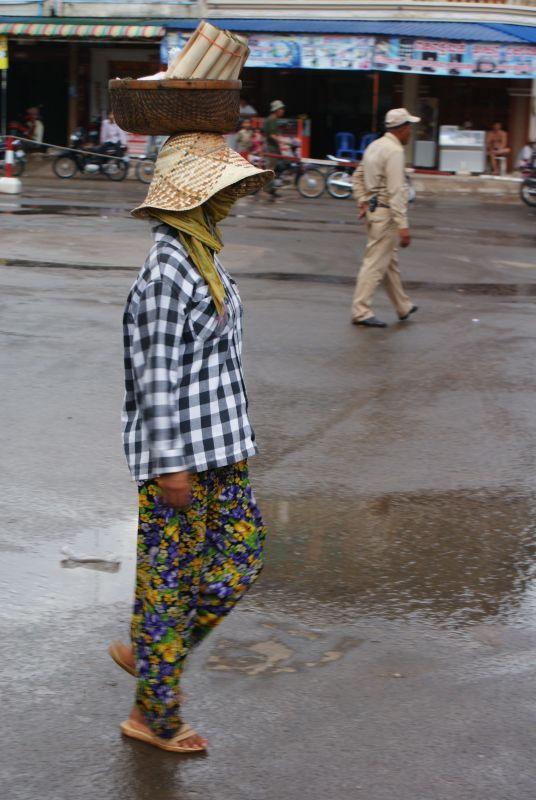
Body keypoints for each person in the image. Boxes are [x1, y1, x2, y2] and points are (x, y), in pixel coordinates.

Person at [109, 132, 272, 754]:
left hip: (222, 449)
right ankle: (154, 715)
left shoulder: (201, 255)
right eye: (219, 189)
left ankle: (152, 647)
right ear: (191, 198)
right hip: (181, 460)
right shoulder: (165, 273)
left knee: (240, 561)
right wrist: (171, 467)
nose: (228, 199)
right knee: (171, 585)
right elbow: (154, 378)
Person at [351, 108, 420, 328]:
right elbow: (397, 191)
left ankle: (403, 306)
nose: (411, 132)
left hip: (374, 212)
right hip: (387, 214)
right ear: (402, 129)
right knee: (374, 264)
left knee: (389, 262)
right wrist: (403, 226)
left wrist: (363, 200)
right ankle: (361, 310)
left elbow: (358, 176)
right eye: (410, 127)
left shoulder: (375, 145)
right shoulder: (394, 151)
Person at [262, 99, 285, 197]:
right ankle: (268, 189)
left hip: (274, 146)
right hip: (271, 147)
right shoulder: (271, 119)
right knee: (271, 168)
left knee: (277, 167)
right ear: (276, 110)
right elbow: (271, 135)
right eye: (281, 109)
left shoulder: (274, 119)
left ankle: (272, 187)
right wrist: (283, 141)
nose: (283, 110)